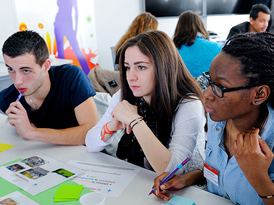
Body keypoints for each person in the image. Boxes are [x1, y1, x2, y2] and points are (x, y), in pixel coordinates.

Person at [153, 32, 274, 205]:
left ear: (259, 94)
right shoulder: (217, 119)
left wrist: (258, 177)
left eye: (220, 87)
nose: (207, 94)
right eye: (210, 81)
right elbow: (218, 170)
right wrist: (186, 178)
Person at [85, 30, 206, 175]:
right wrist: (111, 127)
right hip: (145, 180)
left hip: (190, 190)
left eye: (141, 67)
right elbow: (90, 143)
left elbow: (173, 170)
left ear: (163, 67)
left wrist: (135, 121)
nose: (130, 77)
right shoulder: (124, 95)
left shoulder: (189, 104)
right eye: (127, 67)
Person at [0, 30, 98, 145]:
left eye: (26, 70)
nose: (17, 81)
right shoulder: (8, 98)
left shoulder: (71, 77)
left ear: (46, 66)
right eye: (11, 69)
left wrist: (31, 132)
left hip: (85, 155)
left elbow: (91, 133)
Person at [173, 11, 222, 78]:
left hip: (182, 88)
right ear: (200, 26)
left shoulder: (172, 51)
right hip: (211, 88)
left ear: (178, 28)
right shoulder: (218, 48)